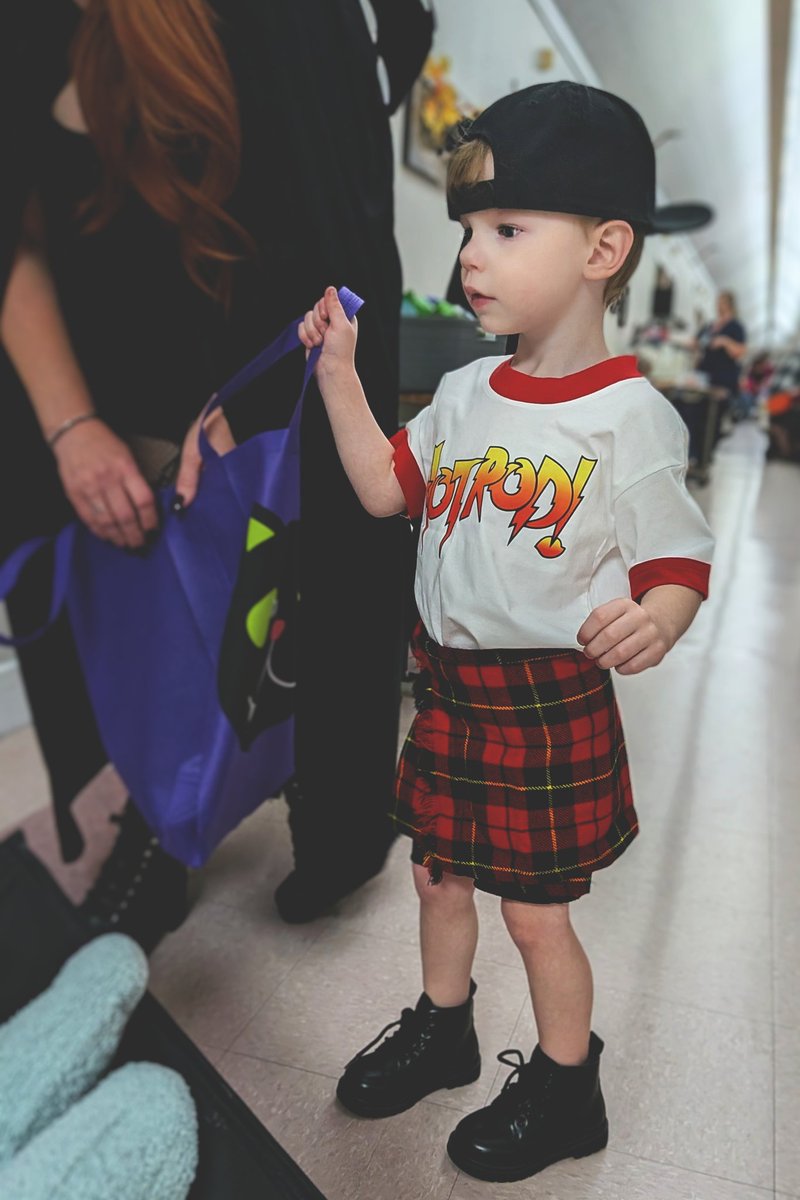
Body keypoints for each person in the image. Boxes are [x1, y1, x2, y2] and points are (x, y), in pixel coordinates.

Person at [297, 82, 715, 1183]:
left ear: (603, 247)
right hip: (447, 695)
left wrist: (657, 616)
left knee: (536, 921)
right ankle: (444, 1031)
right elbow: (386, 490)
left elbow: (677, 558)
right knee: (437, 882)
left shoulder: (629, 416)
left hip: (543, 706)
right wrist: (339, 376)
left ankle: (569, 1091)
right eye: (468, 233)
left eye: (505, 229)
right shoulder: (467, 389)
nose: (470, 258)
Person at [0, 0, 433, 943]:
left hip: (267, 329)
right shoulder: (33, 34)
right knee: (114, 595)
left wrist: (245, 408)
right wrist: (71, 426)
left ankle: (334, 817)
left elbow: (332, 241)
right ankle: (137, 821)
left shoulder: (288, 31)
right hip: (91, 358)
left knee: (303, 576)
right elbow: (14, 235)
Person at [695, 290, 747, 442]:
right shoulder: (710, 326)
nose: (718, 305)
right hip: (704, 377)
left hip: (723, 379)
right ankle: (697, 452)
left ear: (729, 304)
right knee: (699, 413)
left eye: (721, 302)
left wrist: (725, 341)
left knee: (715, 417)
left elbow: (739, 352)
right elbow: (696, 343)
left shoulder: (736, 327)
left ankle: (707, 452)